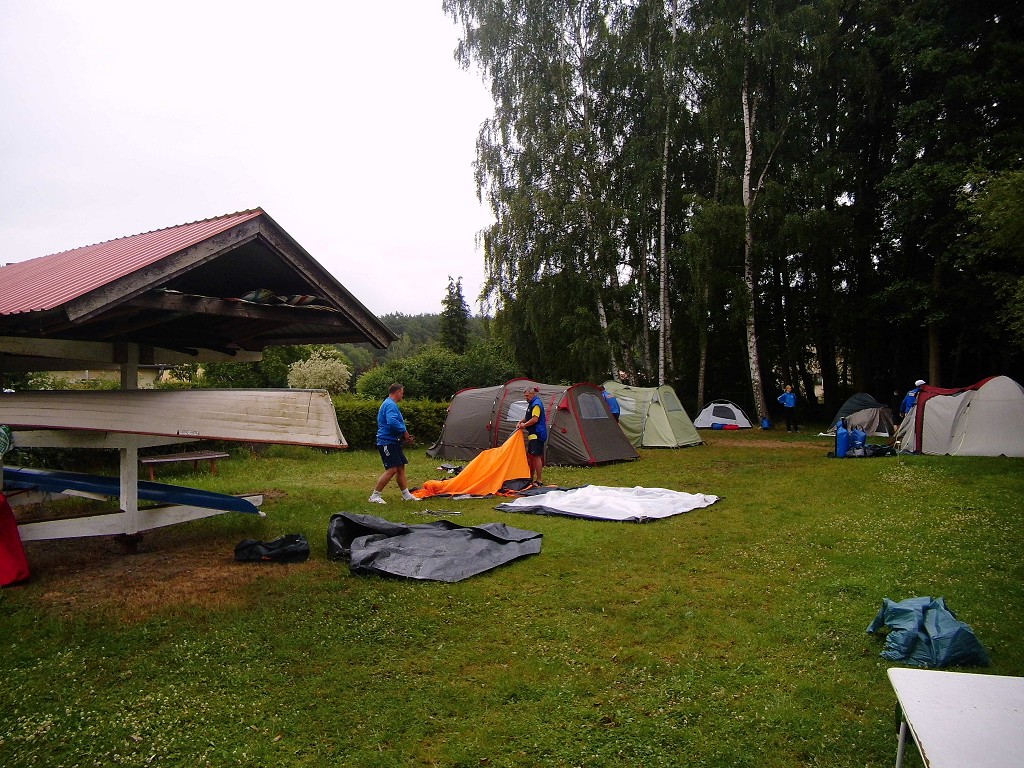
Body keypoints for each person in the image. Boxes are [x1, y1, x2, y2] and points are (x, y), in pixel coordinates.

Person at [369, 383, 417, 504]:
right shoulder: (390, 404)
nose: (402, 395)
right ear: (397, 392)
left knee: (400, 468)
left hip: (393, 441)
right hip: (387, 442)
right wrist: (404, 433)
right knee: (392, 469)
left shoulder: (389, 404)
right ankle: (375, 496)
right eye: (402, 393)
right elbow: (392, 422)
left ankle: (406, 495)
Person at [516, 385, 547, 487]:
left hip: (537, 434)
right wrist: (520, 421)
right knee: (532, 456)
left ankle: (539, 480)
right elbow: (528, 417)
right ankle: (531, 478)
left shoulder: (536, 404)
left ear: (533, 394)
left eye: (527, 396)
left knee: (536, 456)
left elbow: (534, 419)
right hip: (532, 434)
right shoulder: (531, 404)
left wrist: (524, 425)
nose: (526, 398)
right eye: (525, 396)